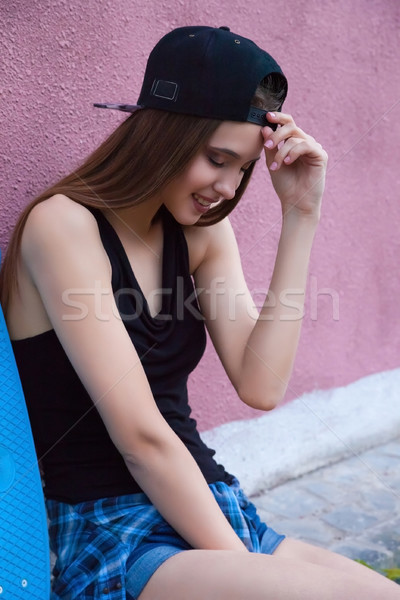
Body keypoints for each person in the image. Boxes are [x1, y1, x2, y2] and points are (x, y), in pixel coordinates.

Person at [0, 25, 398, 600]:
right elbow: (140, 436)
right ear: (162, 134)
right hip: (115, 532)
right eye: (217, 159)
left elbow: (260, 385)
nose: (228, 187)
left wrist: (301, 215)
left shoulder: (202, 235)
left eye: (242, 169)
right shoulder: (63, 225)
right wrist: (251, 572)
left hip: (212, 507)